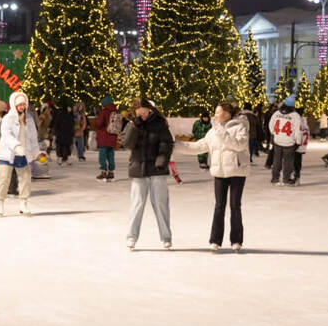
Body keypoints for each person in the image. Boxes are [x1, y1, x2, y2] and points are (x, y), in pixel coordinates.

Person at [177, 102, 249, 252]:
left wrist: (222, 133)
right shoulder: (213, 131)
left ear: (227, 114)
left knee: (235, 206)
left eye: (218, 112)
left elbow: (239, 145)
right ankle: (215, 240)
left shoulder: (240, 126)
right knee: (219, 207)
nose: (215, 115)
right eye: (215, 112)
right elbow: (198, 146)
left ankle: (236, 240)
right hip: (220, 172)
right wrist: (175, 144)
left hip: (237, 171)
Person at [121, 98, 174, 250]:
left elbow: (166, 144)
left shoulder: (159, 123)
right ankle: (131, 237)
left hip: (157, 170)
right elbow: (127, 144)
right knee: (137, 204)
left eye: (144, 113)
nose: (142, 116)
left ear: (149, 109)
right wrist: (135, 126)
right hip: (139, 170)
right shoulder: (132, 124)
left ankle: (166, 237)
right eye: (139, 114)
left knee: (161, 204)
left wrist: (162, 161)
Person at [0, 91, 40, 216]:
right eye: (20, 104)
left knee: (25, 179)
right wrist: (16, 146)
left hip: (23, 154)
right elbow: (6, 134)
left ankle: (23, 203)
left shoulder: (28, 118)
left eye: (24, 104)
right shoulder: (8, 118)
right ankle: (0, 202)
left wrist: (36, 151)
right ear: (14, 104)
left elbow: (33, 137)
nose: (22, 107)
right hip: (8, 153)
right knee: (4, 179)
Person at [269, 95, 301, 186]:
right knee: (288, 161)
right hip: (289, 142)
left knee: (277, 160)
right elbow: (298, 130)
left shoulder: (276, 113)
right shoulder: (295, 116)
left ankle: (275, 178)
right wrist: (298, 141)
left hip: (278, 140)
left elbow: (271, 125)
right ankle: (286, 178)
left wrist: (275, 134)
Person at [94, 96, 120, 182]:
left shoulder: (104, 112)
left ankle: (103, 172)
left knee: (102, 155)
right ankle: (111, 172)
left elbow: (99, 124)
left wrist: (96, 119)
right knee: (110, 155)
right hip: (112, 136)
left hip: (104, 136)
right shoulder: (116, 111)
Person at [294, 107, 309, 185]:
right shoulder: (305, 123)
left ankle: (295, 177)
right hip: (302, 147)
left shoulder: (297, 122)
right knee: (298, 162)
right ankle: (297, 176)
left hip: (296, 146)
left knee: (294, 162)